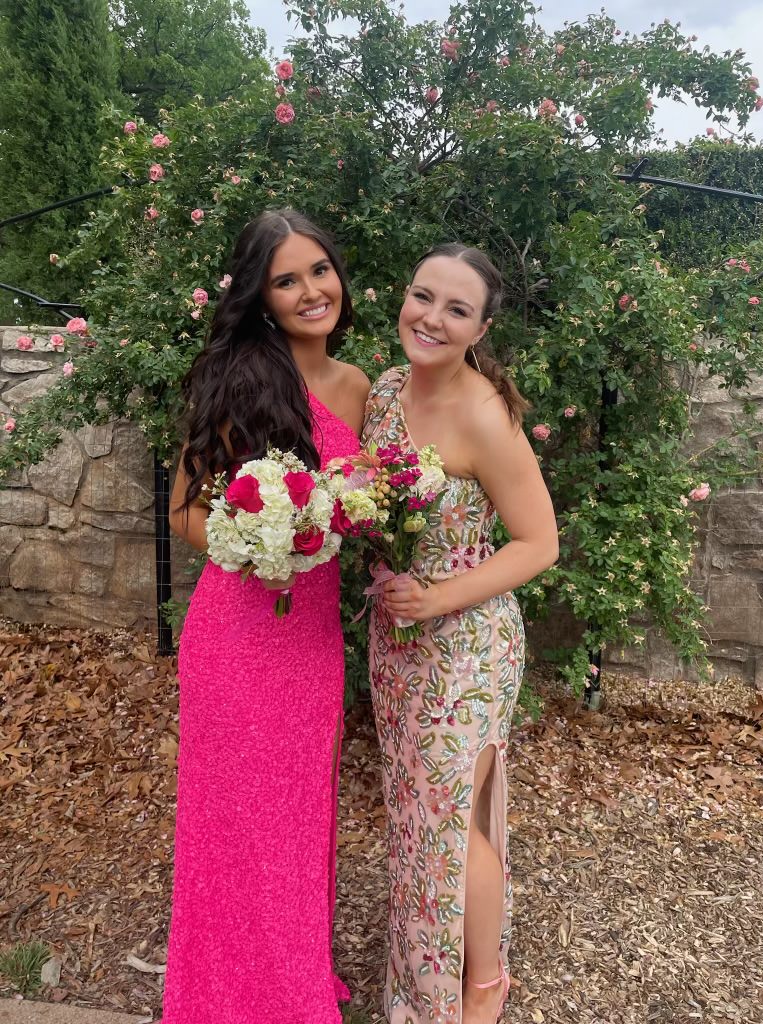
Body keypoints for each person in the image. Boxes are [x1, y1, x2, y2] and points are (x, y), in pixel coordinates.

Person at [162, 208, 370, 1024]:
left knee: (296, 821)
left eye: (320, 270)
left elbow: (365, 502)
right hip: (236, 636)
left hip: (312, 641)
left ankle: (291, 984)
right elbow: (186, 510)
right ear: (262, 296)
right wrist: (254, 545)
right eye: (287, 280)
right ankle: (227, 998)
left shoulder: (359, 386)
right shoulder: (240, 377)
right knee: (236, 828)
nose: (311, 291)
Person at [361, 243, 559, 1024]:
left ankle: (480, 987)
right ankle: (420, 974)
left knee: (448, 821)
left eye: (456, 309)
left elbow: (538, 543)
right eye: (423, 296)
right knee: (415, 814)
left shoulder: (484, 416)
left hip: (466, 651)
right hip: (396, 639)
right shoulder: (383, 393)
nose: (431, 318)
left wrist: (438, 597)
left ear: (480, 329)